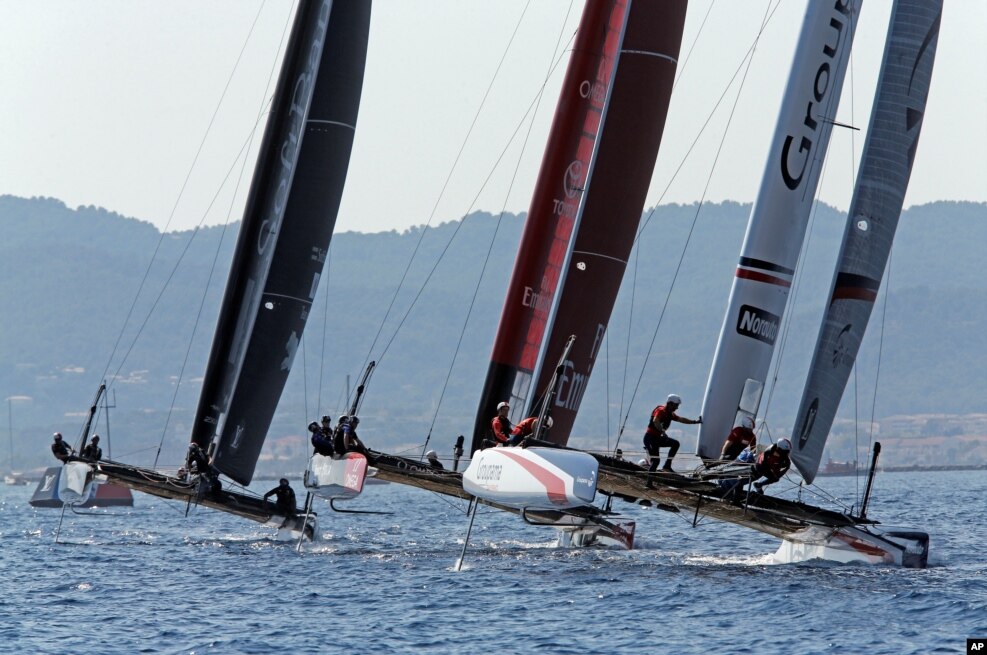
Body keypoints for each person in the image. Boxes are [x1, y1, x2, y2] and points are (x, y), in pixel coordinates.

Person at [644, 393, 700, 482]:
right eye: (676, 405)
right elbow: (655, 421)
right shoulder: (661, 410)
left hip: (657, 439)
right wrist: (662, 431)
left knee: (675, 444)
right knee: (656, 461)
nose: (677, 408)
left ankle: (667, 466)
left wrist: (694, 422)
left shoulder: (670, 414)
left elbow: (681, 419)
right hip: (650, 439)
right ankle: (649, 484)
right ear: (670, 403)